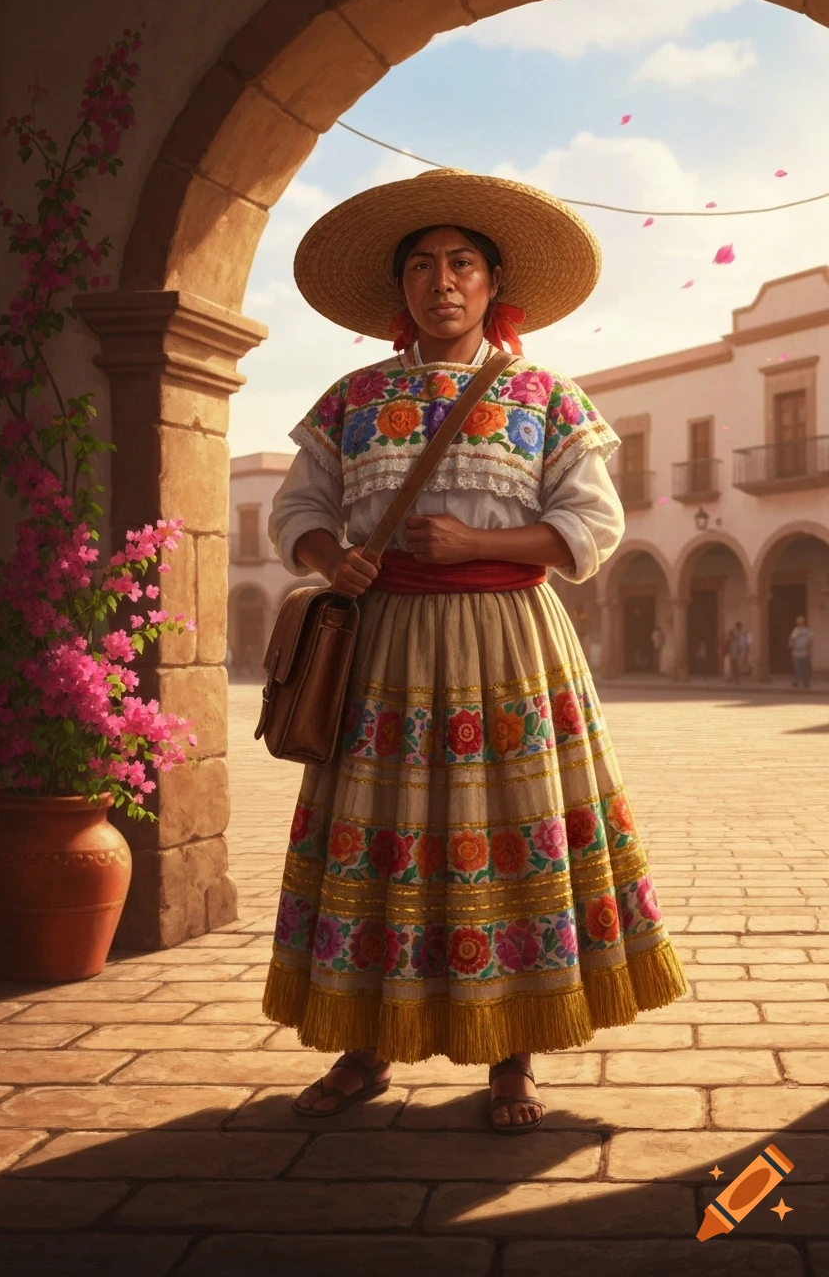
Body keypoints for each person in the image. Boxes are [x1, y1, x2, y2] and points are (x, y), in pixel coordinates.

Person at [262, 168, 688, 1136]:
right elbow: (297, 511)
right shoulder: (350, 399)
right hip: (379, 654)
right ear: (398, 289)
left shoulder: (546, 396)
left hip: (508, 647)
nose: (439, 281)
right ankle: (365, 1044)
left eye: (460, 263)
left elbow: (592, 524)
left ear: (494, 283)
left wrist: (477, 544)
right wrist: (338, 559)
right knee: (383, 844)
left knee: (502, 833)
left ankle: (511, 1053)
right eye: (419, 265)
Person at [789, 614, 813, 689]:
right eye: (799, 622)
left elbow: (810, 640)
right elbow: (792, 640)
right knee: (799, 668)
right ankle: (799, 682)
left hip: (802, 653)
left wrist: (791, 647)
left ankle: (803, 682)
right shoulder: (798, 630)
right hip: (799, 653)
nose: (800, 623)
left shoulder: (803, 630)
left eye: (801, 622)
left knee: (802, 668)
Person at [728, 621, 745, 686]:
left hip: (736, 652)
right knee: (734, 666)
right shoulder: (737, 634)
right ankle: (734, 679)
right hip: (734, 651)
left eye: (736, 626)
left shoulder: (739, 634)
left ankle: (736, 679)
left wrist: (739, 652)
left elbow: (740, 644)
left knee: (736, 666)